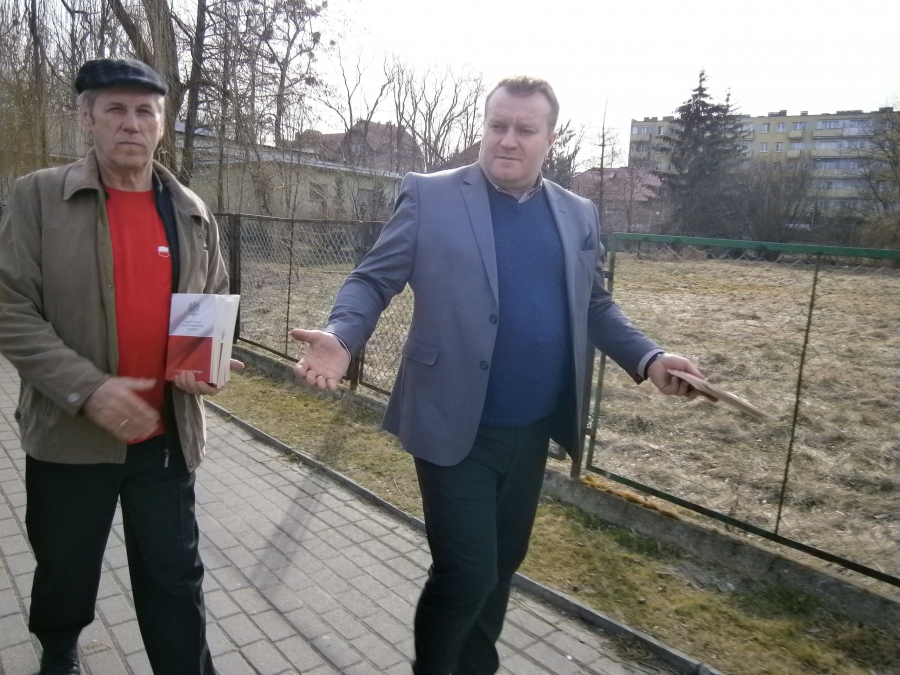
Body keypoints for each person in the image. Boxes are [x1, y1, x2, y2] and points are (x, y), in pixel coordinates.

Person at [291, 76, 704, 675]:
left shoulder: (577, 213)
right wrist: (343, 334)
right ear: (483, 128)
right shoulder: (431, 196)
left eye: (524, 129)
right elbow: (373, 278)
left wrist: (650, 358)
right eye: (497, 126)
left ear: (549, 139)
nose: (508, 140)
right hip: (451, 419)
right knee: (467, 571)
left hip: (531, 427)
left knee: (503, 564)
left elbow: (594, 304)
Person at [0, 58, 240, 675]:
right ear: (86, 118)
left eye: (144, 111)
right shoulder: (38, 197)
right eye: (115, 109)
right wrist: (87, 389)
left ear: (160, 123)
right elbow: (9, 307)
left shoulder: (191, 210)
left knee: (175, 579)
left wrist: (207, 363)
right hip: (71, 434)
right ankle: (59, 650)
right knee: (64, 565)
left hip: (165, 436)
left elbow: (211, 301)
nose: (131, 124)